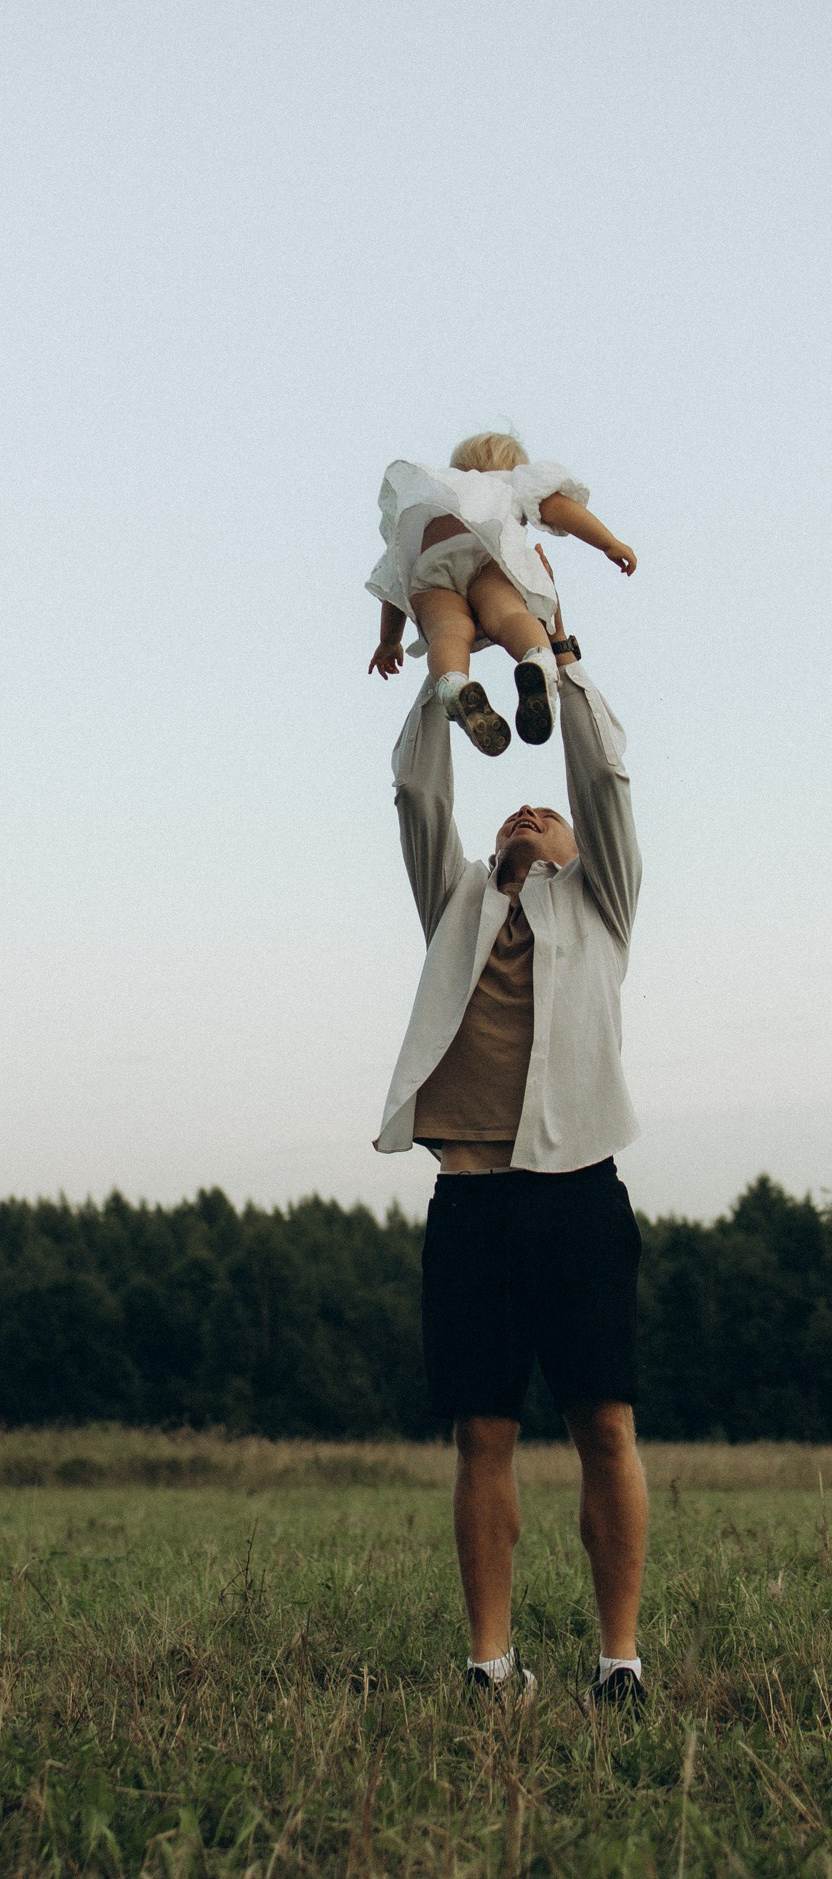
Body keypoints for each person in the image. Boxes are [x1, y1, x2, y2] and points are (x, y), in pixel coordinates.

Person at [373, 569, 648, 1710]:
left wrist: (557, 666)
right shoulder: (454, 899)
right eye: (512, 808)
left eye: (547, 808)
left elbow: (606, 775)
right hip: (473, 1202)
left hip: (579, 1195)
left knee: (603, 1424)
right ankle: (490, 1665)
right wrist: (449, 688)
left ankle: (616, 1662)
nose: (526, 809)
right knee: (482, 1433)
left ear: (578, 839)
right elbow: (415, 794)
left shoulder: (600, 901)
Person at [364, 431, 636, 755]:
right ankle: (538, 661)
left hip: (429, 569)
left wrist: (389, 640)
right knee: (508, 615)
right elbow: (557, 507)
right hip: (487, 554)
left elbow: (397, 572)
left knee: (448, 633)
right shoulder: (512, 480)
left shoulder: (434, 489)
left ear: (461, 466)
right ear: (512, 463)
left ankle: (453, 687)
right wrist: (608, 542)